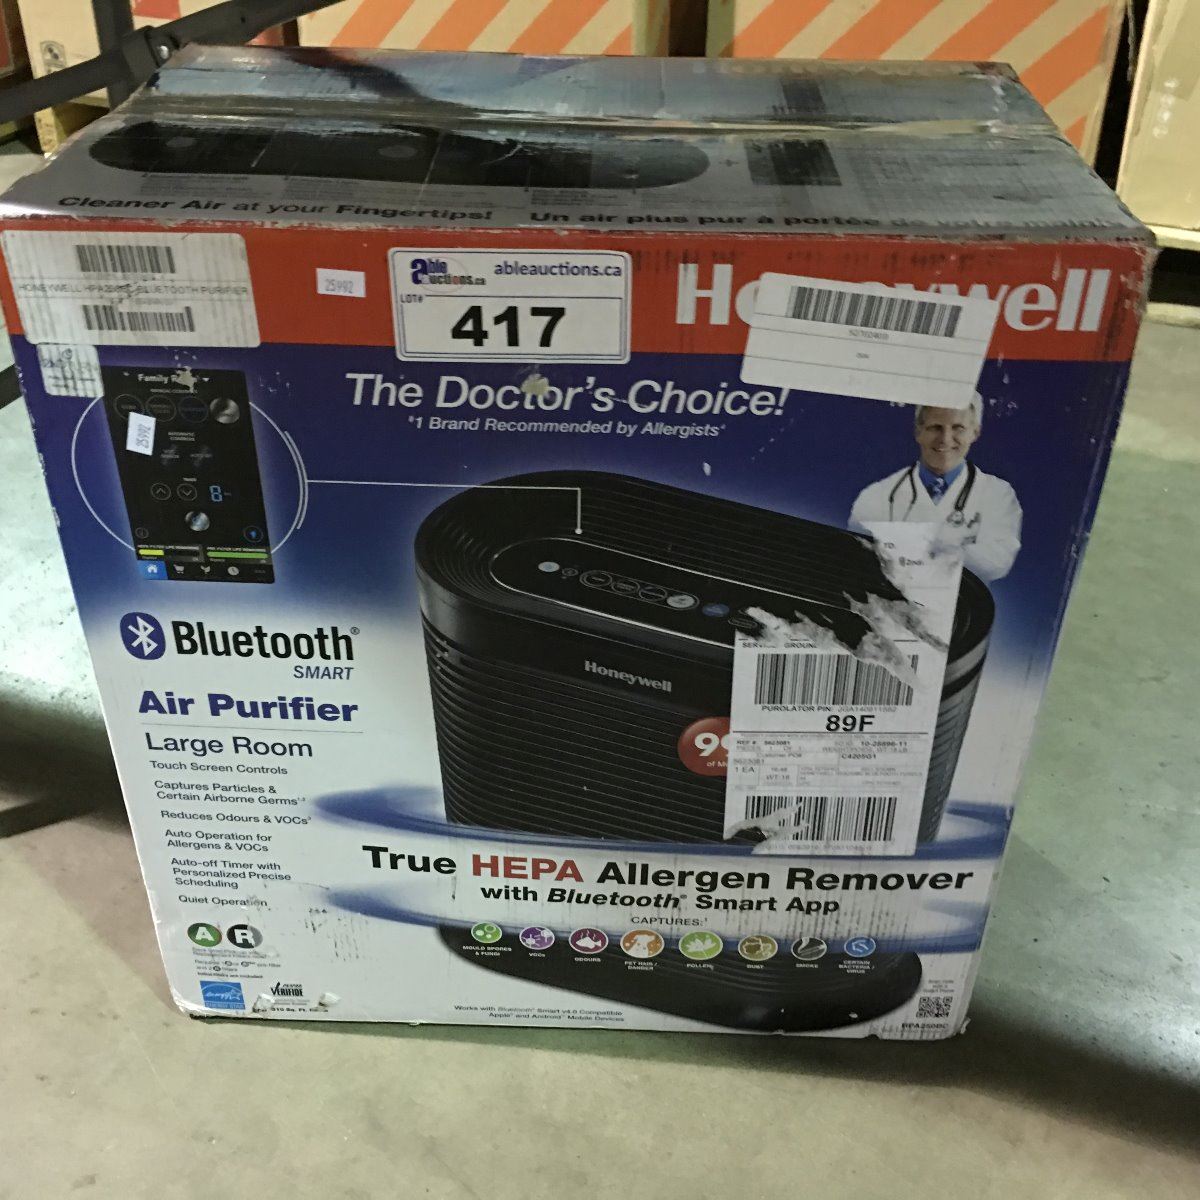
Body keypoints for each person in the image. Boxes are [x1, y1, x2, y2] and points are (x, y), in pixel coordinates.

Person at [849, 396, 1022, 581]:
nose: (945, 439)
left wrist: (910, 545)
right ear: (918, 432)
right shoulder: (875, 496)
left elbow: (997, 561)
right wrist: (951, 548)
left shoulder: (998, 494)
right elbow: (859, 555)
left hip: (961, 599)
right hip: (882, 598)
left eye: (958, 428)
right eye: (935, 427)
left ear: (975, 433)